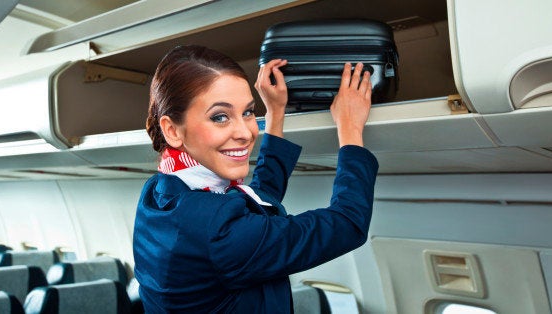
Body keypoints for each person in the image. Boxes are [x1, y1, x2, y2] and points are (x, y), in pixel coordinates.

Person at [133, 45, 378, 313]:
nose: (246, 133)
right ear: (172, 129)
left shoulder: (160, 194)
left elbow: (258, 201)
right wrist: (351, 129)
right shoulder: (218, 232)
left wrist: (274, 113)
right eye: (220, 117)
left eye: (248, 112)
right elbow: (347, 224)